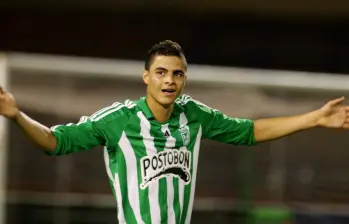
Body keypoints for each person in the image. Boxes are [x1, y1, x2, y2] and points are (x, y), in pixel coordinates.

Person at [0, 40, 348, 224]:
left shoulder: (193, 115)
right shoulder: (119, 119)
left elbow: (249, 131)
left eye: (177, 74)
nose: (169, 80)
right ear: (146, 77)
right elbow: (55, 141)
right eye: (162, 72)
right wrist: (17, 116)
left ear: (184, 79)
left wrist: (315, 118)